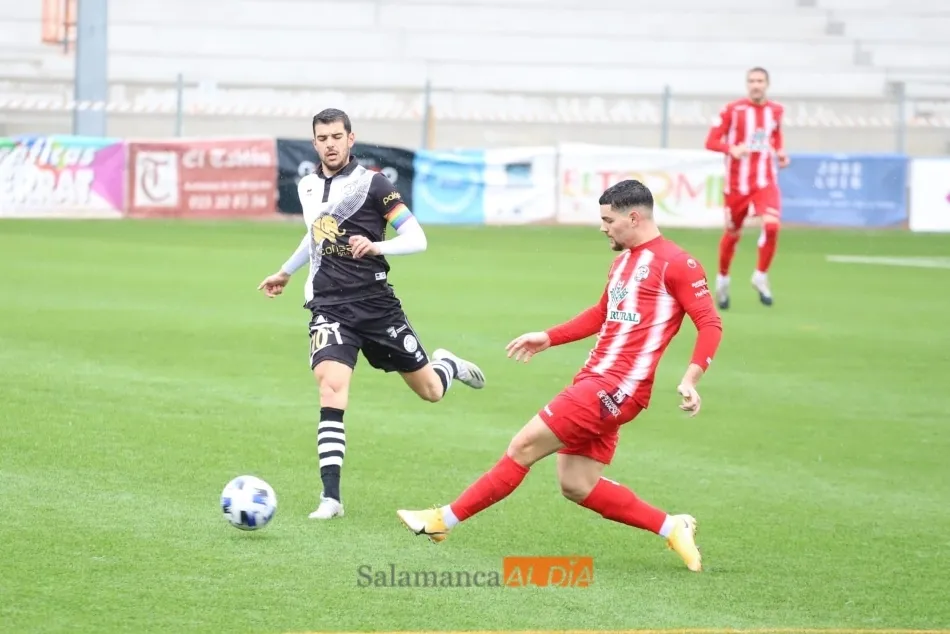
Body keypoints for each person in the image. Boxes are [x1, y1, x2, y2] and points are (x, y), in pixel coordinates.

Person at [396, 179, 723, 573]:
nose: (603, 227)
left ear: (634, 217)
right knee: (577, 484)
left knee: (523, 446)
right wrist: (549, 337)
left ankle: (441, 522)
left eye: (608, 220)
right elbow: (602, 314)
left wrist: (691, 377)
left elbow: (709, 323)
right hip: (597, 381)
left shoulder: (678, 263)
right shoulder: (622, 262)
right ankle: (673, 527)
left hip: (615, 388)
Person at [258, 108, 486, 521]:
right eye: (322, 138)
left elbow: (417, 239)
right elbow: (316, 234)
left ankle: (447, 365)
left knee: (430, 391)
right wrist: (286, 272)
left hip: (377, 307)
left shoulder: (374, 185)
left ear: (350, 139)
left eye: (336, 136)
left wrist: (379, 246)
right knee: (331, 387)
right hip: (329, 305)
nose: (329, 144)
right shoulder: (308, 186)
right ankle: (331, 498)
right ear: (314, 143)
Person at [704, 66, 789, 309]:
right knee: (732, 234)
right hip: (737, 185)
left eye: (760, 80)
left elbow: (775, 137)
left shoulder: (776, 111)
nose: (756, 85)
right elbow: (710, 141)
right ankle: (722, 279)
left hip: (765, 182)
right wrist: (730, 148)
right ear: (747, 84)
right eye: (752, 80)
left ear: (767, 84)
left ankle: (760, 276)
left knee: (772, 226)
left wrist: (780, 153)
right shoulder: (733, 110)